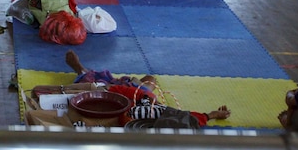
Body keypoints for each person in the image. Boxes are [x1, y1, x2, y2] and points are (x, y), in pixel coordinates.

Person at [64, 50, 231, 126]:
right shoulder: (160, 112)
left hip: (115, 107)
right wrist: (213, 114)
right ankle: (104, 81)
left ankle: (80, 68)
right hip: (126, 94)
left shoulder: (127, 124)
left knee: (86, 84)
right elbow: (190, 118)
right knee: (150, 81)